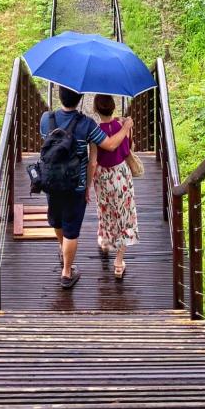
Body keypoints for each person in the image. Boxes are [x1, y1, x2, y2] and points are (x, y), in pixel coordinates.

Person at [40, 86, 132, 289]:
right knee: (71, 229)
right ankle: (66, 273)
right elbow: (109, 145)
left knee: (57, 220)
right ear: (80, 98)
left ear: (59, 96)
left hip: (51, 183)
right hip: (76, 186)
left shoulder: (46, 118)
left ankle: (62, 248)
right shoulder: (87, 124)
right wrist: (125, 127)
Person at [89, 93, 139, 280]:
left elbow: (93, 162)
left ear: (95, 109)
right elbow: (128, 149)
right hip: (121, 174)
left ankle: (105, 241)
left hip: (103, 176)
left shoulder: (95, 132)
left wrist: (87, 185)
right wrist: (126, 127)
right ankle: (118, 262)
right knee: (124, 215)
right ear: (113, 107)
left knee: (105, 210)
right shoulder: (122, 126)